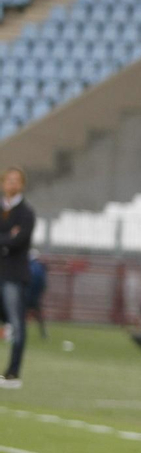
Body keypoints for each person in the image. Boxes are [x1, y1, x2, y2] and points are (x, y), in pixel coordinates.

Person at [0, 166, 36, 387]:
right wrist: (7, 237)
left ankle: (13, 373)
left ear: (22, 184)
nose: (12, 184)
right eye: (8, 180)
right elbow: (10, 239)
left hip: (14, 274)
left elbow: (19, 241)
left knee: (16, 322)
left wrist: (6, 240)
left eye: (16, 180)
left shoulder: (26, 212)